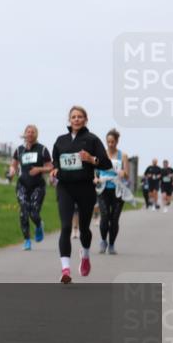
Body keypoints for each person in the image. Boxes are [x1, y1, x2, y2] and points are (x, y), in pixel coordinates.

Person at [49, 106, 112, 284]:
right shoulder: (60, 140)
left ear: (85, 119)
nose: (76, 119)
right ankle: (66, 270)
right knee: (66, 227)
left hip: (85, 188)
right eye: (73, 117)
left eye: (80, 117)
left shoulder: (92, 140)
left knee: (84, 228)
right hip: (65, 188)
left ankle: (85, 255)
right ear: (69, 120)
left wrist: (91, 159)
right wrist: (54, 169)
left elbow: (106, 163)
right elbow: (55, 161)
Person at [9, 124, 53, 250]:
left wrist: (39, 169)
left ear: (36, 134)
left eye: (32, 132)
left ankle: (39, 225)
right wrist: (12, 171)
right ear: (25, 134)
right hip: (22, 184)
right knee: (23, 211)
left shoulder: (42, 149)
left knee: (33, 212)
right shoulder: (19, 150)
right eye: (28, 132)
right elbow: (13, 164)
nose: (30, 134)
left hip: (37, 185)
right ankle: (27, 240)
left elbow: (50, 167)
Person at [95, 129, 129, 254]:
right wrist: (95, 178)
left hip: (118, 190)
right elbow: (95, 171)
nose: (110, 144)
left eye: (112, 142)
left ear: (117, 141)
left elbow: (127, 175)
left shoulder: (123, 155)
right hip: (103, 189)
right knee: (105, 217)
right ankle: (103, 240)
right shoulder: (101, 154)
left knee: (114, 220)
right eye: (108, 142)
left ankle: (112, 244)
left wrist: (123, 172)